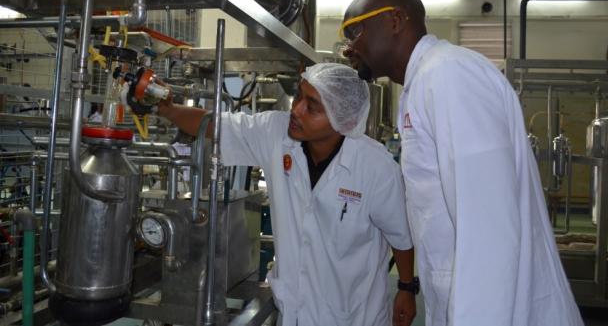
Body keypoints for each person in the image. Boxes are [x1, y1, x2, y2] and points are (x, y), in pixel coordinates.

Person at [340, 0, 584, 326]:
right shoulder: (424, 81)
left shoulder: (449, 75)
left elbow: (489, 229)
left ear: (395, 20)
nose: (349, 48)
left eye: (356, 32)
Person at [158, 63, 416, 326]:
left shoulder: (376, 168)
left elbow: (401, 237)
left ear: (343, 120)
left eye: (312, 107)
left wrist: (407, 288)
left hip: (356, 315)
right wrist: (168, 109)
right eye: (299, 96)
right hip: (295, 313)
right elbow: (216, 127)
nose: (296, 109)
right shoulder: (275, 133)